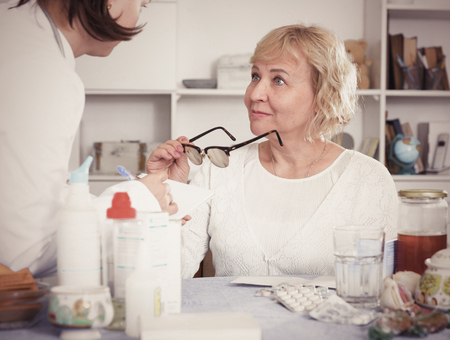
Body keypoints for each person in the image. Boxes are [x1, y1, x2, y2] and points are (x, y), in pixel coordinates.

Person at [148, 24, 398, 278]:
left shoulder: (368, 180)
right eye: (255, 76)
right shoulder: (219, 169)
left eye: (278, 80)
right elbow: (167, 277)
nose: (255, 93)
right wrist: (165, 193)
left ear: (323, 96)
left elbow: (376, 292)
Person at [0, 0, 178, 277]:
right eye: (142, 4)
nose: (139, 14)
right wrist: (137, 203)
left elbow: (24, 196)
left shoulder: (18, 36)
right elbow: (23, 253)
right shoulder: (42, 72)